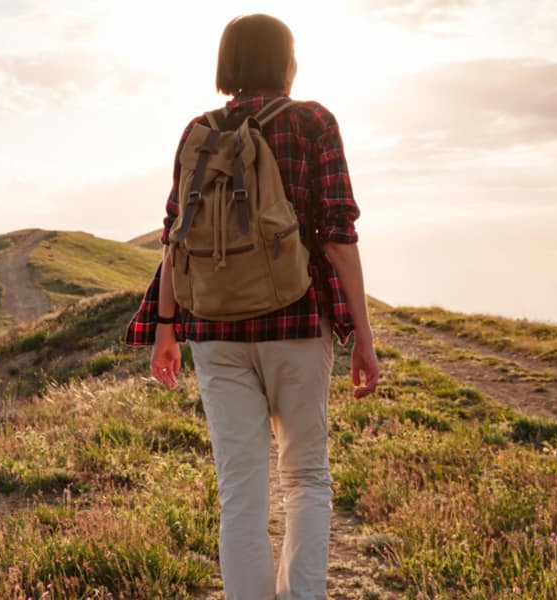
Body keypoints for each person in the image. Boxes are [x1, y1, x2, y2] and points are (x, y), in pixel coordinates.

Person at [123, 13, 379, 600]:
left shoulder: (198, 130)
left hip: (213, 329)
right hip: (296, 320)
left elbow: (174, 237)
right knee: (306, 476)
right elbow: (338, 236)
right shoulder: (312, 122)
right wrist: (362, 336)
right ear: (287, 62)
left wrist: (166, 328)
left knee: (240, 489)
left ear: (227, 64)